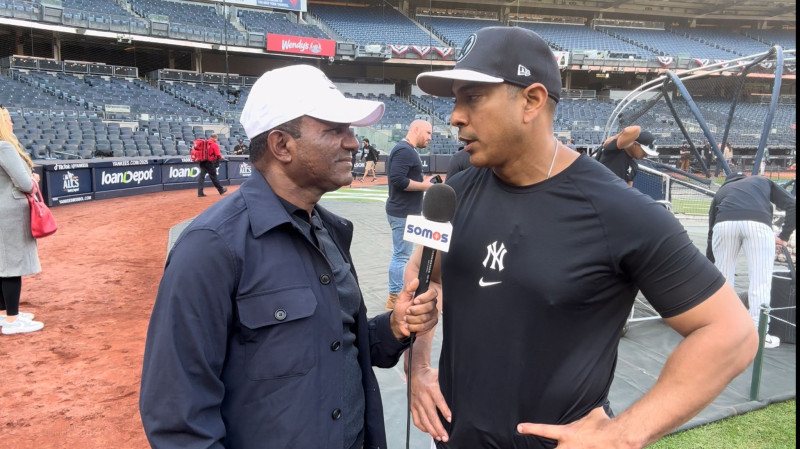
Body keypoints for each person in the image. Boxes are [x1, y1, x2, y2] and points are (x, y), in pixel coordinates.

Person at [407, 26, 757, 449]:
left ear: (532, 101)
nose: (456, 115)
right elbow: (425, 278)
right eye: (456, 100)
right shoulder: (454, 194)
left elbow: (732, 333)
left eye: (473, 98)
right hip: (451, 438)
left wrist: (625, 434)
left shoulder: (618, 211)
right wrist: (419, 366)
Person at [139, 65, 439, 449]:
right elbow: (177, 419)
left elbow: (336, 343)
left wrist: (393, 328)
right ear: (282, 145)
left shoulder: (331, 231)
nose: (353, 143)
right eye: (336, 130)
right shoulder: (211, 248)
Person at [706, 173, 796, 349]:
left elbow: (711, 232)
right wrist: (784, 236)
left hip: (723, 225)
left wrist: (711, 262)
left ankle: (725, 330)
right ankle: (759, 335)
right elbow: (792, 204)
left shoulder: (722, 190)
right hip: (758, 224)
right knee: (760, 281)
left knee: (723, 281)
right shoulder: (762, 180)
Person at [0, 106, 45, 335]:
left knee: (3, 265)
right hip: (9, 214)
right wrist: (33, 178)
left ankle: (4, 314)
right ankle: (12, 320)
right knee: (11, 267)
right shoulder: (5, 147)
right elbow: (25, 184)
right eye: (8, 119)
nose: (12, 124)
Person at [384, 119, 433, 310]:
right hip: (402, 212)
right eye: (428, 133)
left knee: (403, 255)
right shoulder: (405, 150)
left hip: (404, 211)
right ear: (416, 129)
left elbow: (404, 178)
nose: (430, 138)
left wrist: (423, 181)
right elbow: (398, 180)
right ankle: (394, 299)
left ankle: (397, 295)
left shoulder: (405, 150)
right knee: (401, 256)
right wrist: (426, 186)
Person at [197, 133, 227, 197]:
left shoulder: (204, 143)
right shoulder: (214, 144)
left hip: (202, 161)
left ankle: (200, 192)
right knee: (214, 176)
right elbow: (218, 154)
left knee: (201, 177)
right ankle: (221, 190)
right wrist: (222, 158)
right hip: (209, 162)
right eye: (216, 138)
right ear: (215, 138)